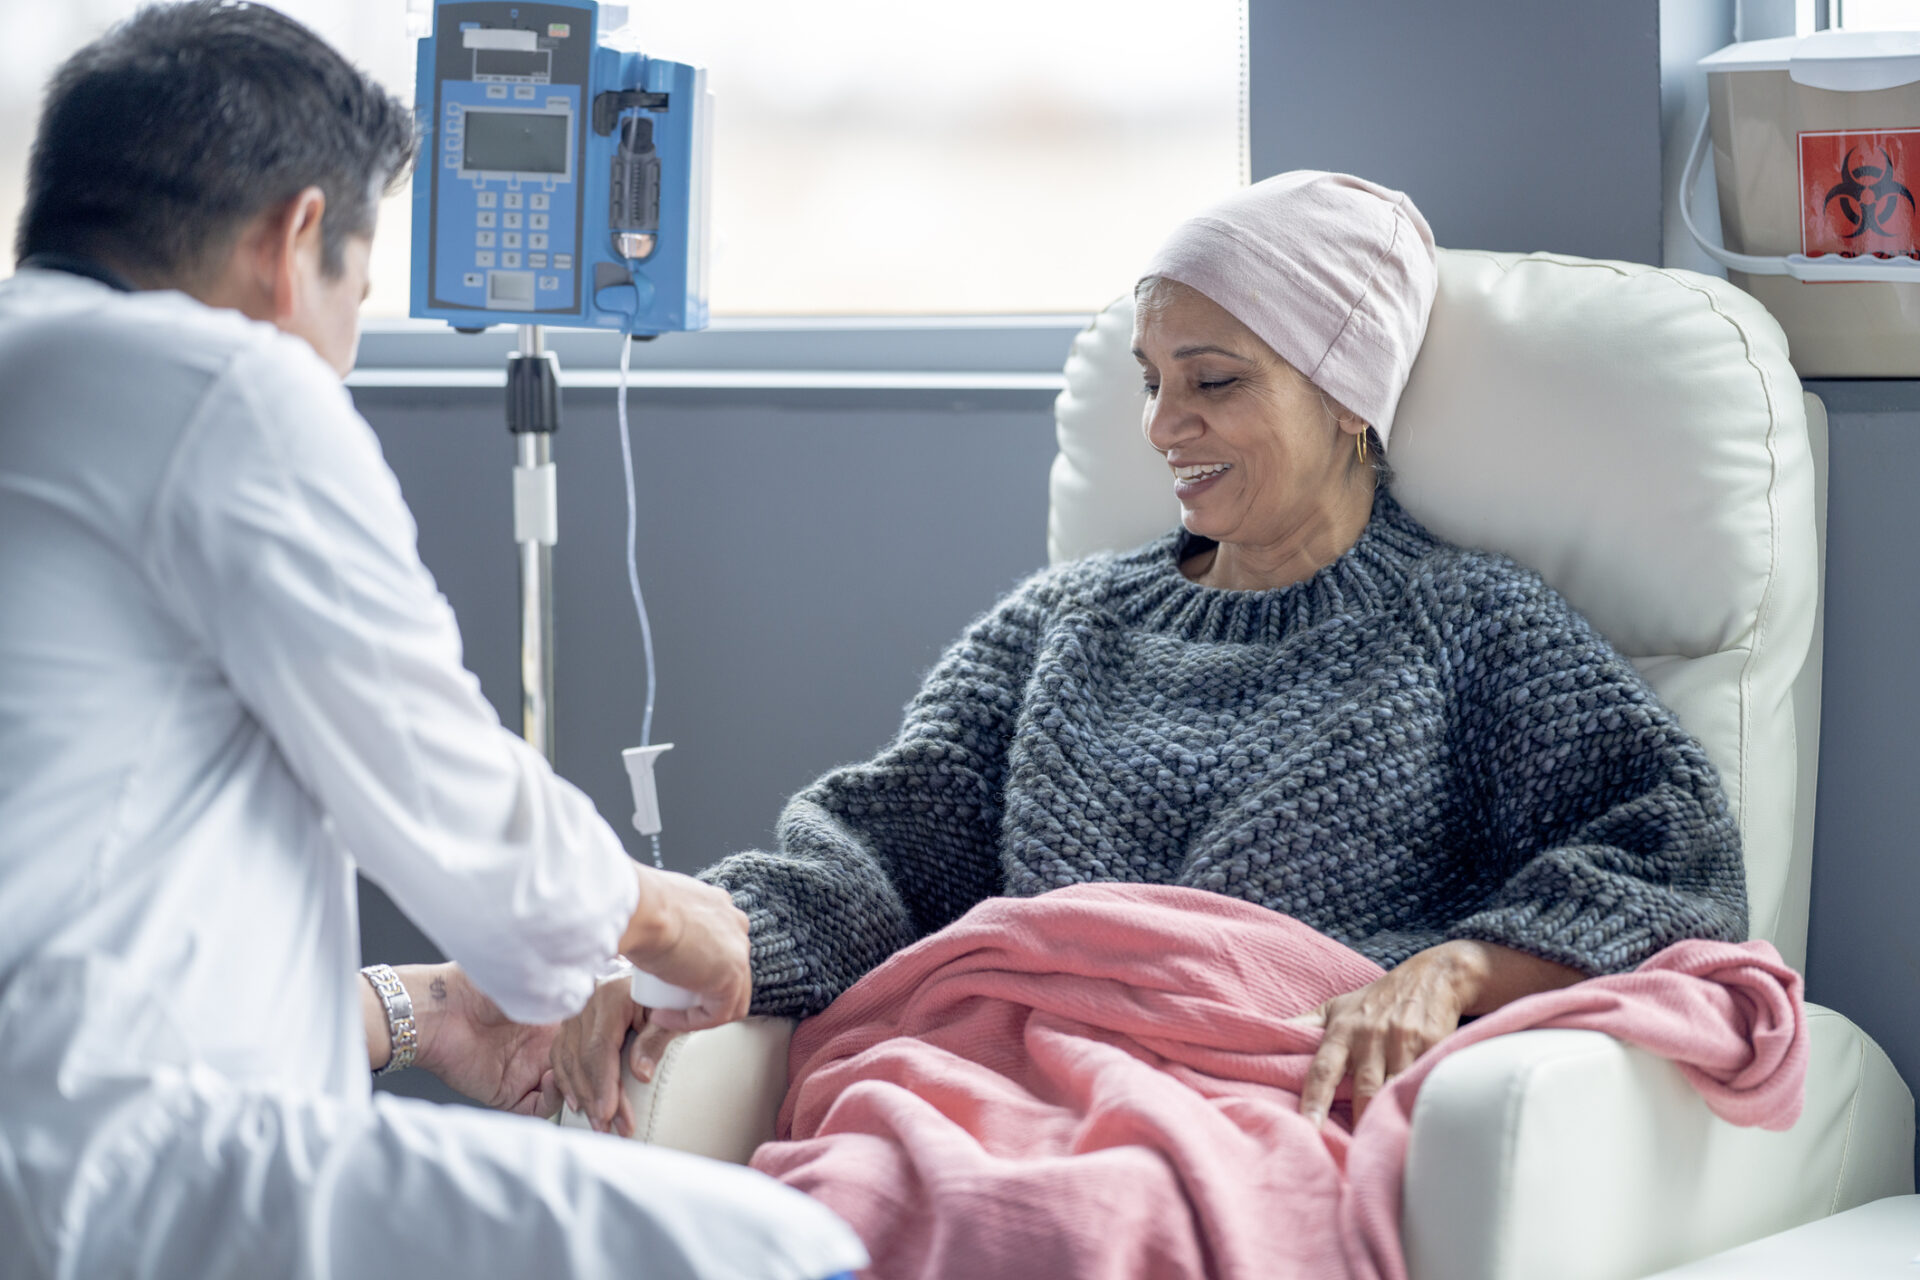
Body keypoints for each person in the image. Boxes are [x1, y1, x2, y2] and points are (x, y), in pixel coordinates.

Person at [555, 170, 1749, 1135]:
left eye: (1212, 381)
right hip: (990, 1087)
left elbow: (1674, 850)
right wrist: (706, 935)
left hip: (1255, 1107)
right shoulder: (1061, 626)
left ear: (1347, 397)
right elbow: (882, 853)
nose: (1164, 425)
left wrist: (1456, 967)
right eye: (1151, 381)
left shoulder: (1471, 628)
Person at [0, 5, 864, 1277]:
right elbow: (464, 812)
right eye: (356, 289)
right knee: (787, 1250)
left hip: (79, 1126)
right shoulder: (229, 391)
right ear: (294, 239)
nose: (343, 350)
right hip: (104, 1179)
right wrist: (667, 918)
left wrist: (428, 1002)